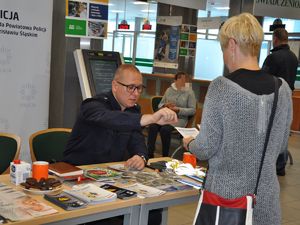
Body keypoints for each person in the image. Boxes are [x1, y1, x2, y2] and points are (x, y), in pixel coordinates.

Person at [183, 13, 292, 225]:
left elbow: (205, 148)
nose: (224, 55)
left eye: (223, 48)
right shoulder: (283, 90)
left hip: (226, 200)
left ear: (232, 45)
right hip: (266, 198)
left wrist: (190, 143)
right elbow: (280, 146)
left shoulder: (220, 87)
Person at [63, 64, 177, 225]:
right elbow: (112, 119)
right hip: (80, 176)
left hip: (110, 177)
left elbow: (137, 139)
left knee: (153, 212)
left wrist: (141, 156)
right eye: (131, 88)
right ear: (115, 86)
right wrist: (150, 118)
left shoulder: (132, 110)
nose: (136, 93)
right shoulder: (93, 105)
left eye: (139, 88)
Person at [262, 28, 298, 176]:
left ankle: (269, 165)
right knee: (282, 131)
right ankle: (280, 166)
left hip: (273, 99)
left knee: (269, 131)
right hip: (288, 99)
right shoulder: (294, 57)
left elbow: (262, 79)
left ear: (275, 39)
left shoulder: (273, 57)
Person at [147, 72, 196, 158]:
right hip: (165, 117)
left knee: (165, 130)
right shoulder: (169, 90)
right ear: (176, 80)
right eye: (181, 79)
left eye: (185, 80)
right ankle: (149, 154)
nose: (183, 82)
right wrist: (165, 105)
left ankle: (165, 156)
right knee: (153, 126)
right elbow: (160, 105)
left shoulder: (189, 92)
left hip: (179, 119)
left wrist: (179, 110)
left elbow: (192, 110)